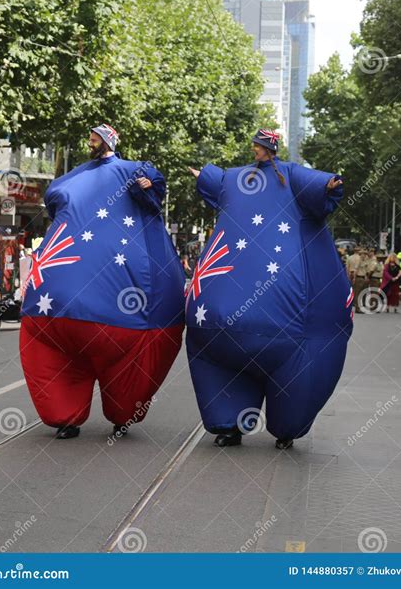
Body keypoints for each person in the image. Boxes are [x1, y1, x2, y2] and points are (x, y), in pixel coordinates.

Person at [186, 128, 353, 450]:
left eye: (260, 146)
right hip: (221, 328)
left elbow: (319, 186)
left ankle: (285, 425)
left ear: (271, 149)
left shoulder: (291, 177)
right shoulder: (237, 179)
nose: (255, 151)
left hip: (288, 329)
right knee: (222, 367)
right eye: (254, 145)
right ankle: (230, 424)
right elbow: (216, 181)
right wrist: (202, 175)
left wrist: (329, 183)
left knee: (296, 387)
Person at [20, 123, 185, 439]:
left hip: (49, 306)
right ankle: (117, 412)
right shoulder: (88, 178)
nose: (90, 141)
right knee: (128, 379)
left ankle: (67, 414)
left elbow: (56, 199)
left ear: (107, 141)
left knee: (54, 355)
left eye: (95, 137)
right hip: (126, 320)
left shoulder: (98, 178)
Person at [354, 249, 369, 313]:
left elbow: (365, 270)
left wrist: (366, 277)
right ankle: (357, 308)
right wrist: (354, 278)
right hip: (359, 277)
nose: (364, 255)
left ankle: (360, 307)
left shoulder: (364, 261)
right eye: (363, 254)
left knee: (362, 293)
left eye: (365, 254)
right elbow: (355, 270)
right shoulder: (358, 260)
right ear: (360, 254)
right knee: (358, 293)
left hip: (363, 278)